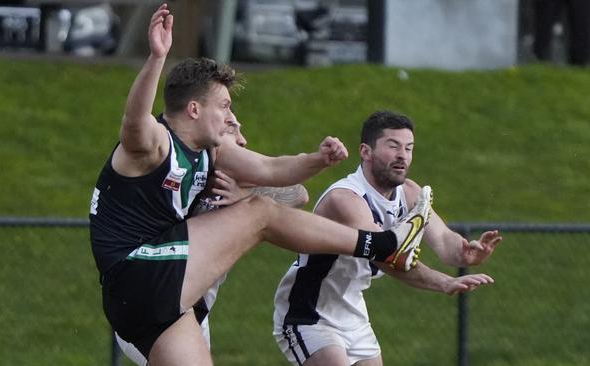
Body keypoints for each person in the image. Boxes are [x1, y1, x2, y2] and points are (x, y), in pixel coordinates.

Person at [89, 4, 429, 365]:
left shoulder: (212, 153)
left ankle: (387, 244)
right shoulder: (156, 144)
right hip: (140, 273)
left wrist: (317, 159)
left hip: (160, 303)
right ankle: (385, 243)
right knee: (260, 213)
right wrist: (157, 57)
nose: (229, 118)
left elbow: (273, 170)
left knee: (259, 207)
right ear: (193, 110)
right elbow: (133, 122)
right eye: (223, 107)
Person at [273, 111, 502, 366]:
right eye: (393, 146)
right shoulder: (346, 199)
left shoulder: (411, 193)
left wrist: (466, 253)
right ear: (365, 151)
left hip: (352, 311)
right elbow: (388, 259)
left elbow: (446, 242)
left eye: (409, 148)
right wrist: (444, 282)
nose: (402, 155)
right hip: (309, 311)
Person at [114, 118, 310, 366]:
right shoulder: (187, 176)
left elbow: (298, 193)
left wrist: (246, 197)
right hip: (155, 307)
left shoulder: (235, 182)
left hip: (194, 311)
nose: (243, 140)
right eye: (233, 130)